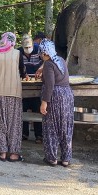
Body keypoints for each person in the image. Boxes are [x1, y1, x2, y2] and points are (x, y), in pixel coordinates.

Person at [0, 32, 26, 162]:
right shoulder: (17, 54)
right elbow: (23, 71)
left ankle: (3, 152)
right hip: (14, 93)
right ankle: (14, 153)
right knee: (14, 123)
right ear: (14, 41)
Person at [38, 39, 74, 167]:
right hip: (67, 94)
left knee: (51, 127)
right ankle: (66, 159)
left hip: (55, 96)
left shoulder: (48, 64)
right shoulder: (61, 60)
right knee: (65, 127)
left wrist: (44, 102)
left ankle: (52, 158)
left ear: (43, 52)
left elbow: (50, 85)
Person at [18, 34, 44, 143]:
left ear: (33, 45)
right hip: (23, 83)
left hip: (37, 83)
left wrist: (41, 69)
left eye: (29, 47)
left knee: (37, 108)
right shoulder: (18, 52)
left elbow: (46, 61)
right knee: (22, 108)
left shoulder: (39, 49)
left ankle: (39, 135)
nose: (28, 50)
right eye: (25, 48)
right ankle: (24, 133)